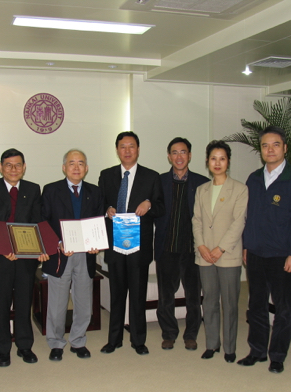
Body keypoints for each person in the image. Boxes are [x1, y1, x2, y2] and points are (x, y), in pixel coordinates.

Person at [238, 126, 291, 374]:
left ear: (285, 148)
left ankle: (277, 355)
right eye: (265, 145)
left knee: (283, 308)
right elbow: (250, 217)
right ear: (261, 150)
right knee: (255, 305)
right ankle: (256, 351)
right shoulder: (254, 178)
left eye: (275, 145)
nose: (270, 150)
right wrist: (246, 246)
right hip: (256, 253)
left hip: (282, 256)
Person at [98, 131, 165, 355]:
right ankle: (114, 340)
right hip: (116, 244)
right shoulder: (106, 175)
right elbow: (99, 205)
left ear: (138, 149)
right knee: (116, 295)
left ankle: (138, 340)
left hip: (139, 246)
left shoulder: (151, 176)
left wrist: (149, 204)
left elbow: (161, 207)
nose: (127, 151)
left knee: (137, 295)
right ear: (117, 150)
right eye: (123, 147)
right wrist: (107, 209)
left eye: (132, 146)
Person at [0, 148, 48, 366]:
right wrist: (3, 248)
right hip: (0, 257)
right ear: (0, 167)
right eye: (8, 165)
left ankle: (24, 346)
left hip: (26, 257)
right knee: (2, 303)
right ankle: (3, 349)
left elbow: (38, 221)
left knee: (23, 302)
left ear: (24, 167)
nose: (13, 169)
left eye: (18, 165)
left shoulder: (32, 188)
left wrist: (42, 247)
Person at [41, 149, 104, 361]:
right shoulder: (50, 190)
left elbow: (99, 223)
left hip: (85, 255)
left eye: (80, 163)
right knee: (57, 304)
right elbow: (44, 222)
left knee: (84, 302)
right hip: (60, 254)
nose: (76, 167)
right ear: (64, 167)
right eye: (71, 163)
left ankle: (78, 341)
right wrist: (58, 243)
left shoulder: (95, 192)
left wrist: (96, 243)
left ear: (86, 168)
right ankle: (56, 343)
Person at [192, 141, 248, 362]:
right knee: (209, 301)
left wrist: (220, 248)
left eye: (222, 158)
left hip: (228, 255)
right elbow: (196, 220)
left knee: (230, 302)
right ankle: (212, 343)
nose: (217, 163)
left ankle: (230, 347)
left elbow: (238, 222)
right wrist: (202, 246)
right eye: (213, 158)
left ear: (229, 162)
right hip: (205, 255)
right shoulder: (201, 190)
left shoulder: (240, 189)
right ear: (207, 161)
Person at [154, 137, 209, 351]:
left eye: (183, 152)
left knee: (193, 296)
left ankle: (191, 334)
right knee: (165, 295)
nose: (179, 156)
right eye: (175, 152)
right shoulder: (159, 181)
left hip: (192, 249)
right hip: (166, 247)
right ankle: (169, 333)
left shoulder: (202, 182)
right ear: (169, 156)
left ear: (190, 155)